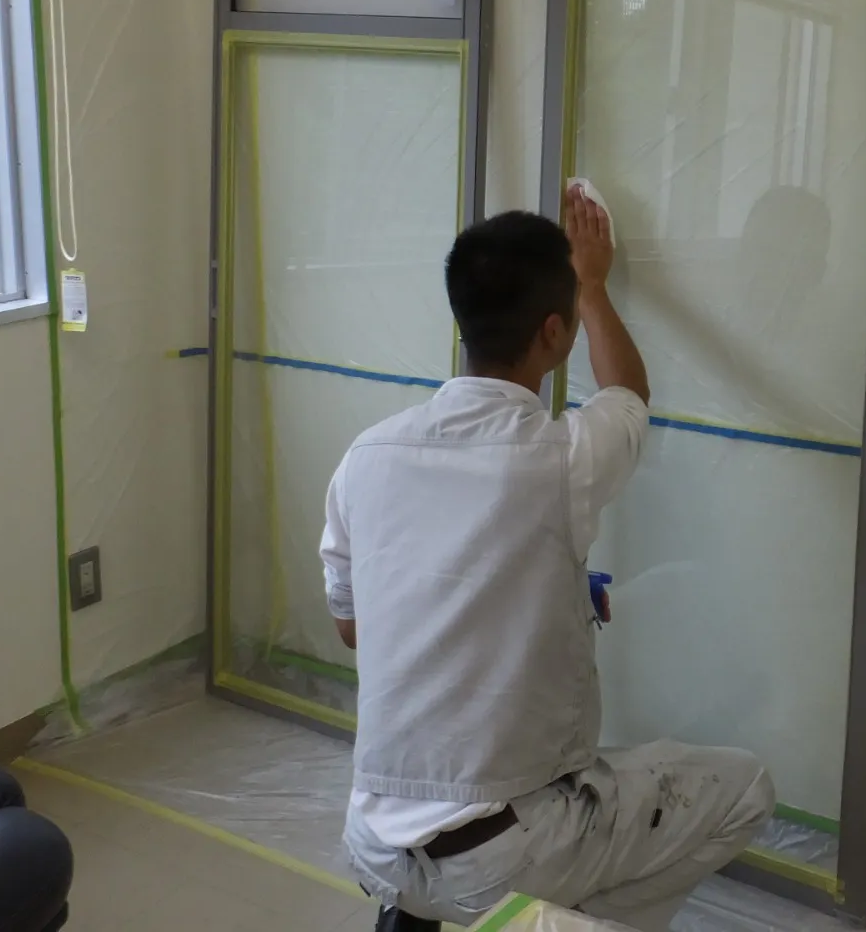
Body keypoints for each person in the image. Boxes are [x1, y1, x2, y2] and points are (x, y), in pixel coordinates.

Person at [322, 187, 775, 932]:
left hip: (375, 844)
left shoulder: (365, 457)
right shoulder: (562, 458)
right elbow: (628, 392)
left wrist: (517, 597)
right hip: (501, 853)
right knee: (745, 788)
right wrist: (593, 284)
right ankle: (550, 920)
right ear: (555, 331)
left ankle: (428, 914)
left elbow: (353, 628)